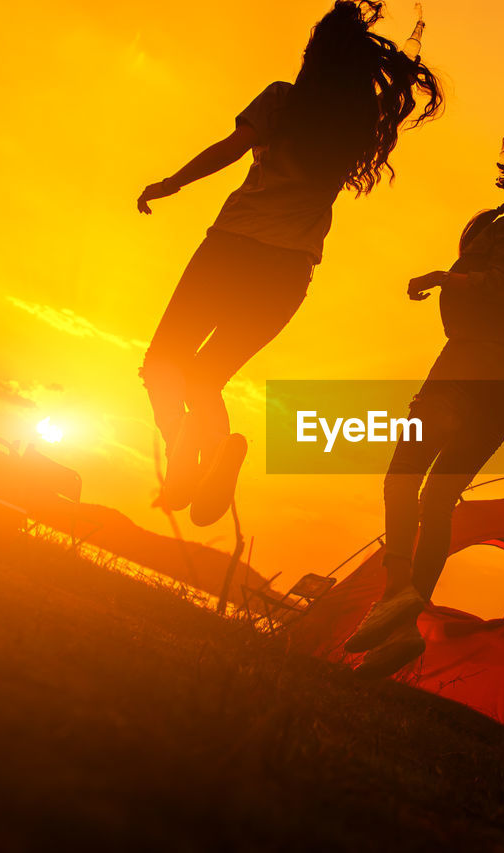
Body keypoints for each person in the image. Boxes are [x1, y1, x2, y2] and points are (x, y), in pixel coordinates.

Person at [136, 1, 442, 525]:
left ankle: (191, 452)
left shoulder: (282, 101)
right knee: (206, 377)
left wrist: (172, 183)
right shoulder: (357, 123)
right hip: (289, 272)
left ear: (316, 55)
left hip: (232, 249)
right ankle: (210, 454)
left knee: (163, 363)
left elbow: (230, 150)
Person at [345, 149, 504, 678]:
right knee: (441, 497)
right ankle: (404, 624)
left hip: (468, 367)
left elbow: (501, 279)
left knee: (404, 472)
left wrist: (440, 277)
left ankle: (394, 595)